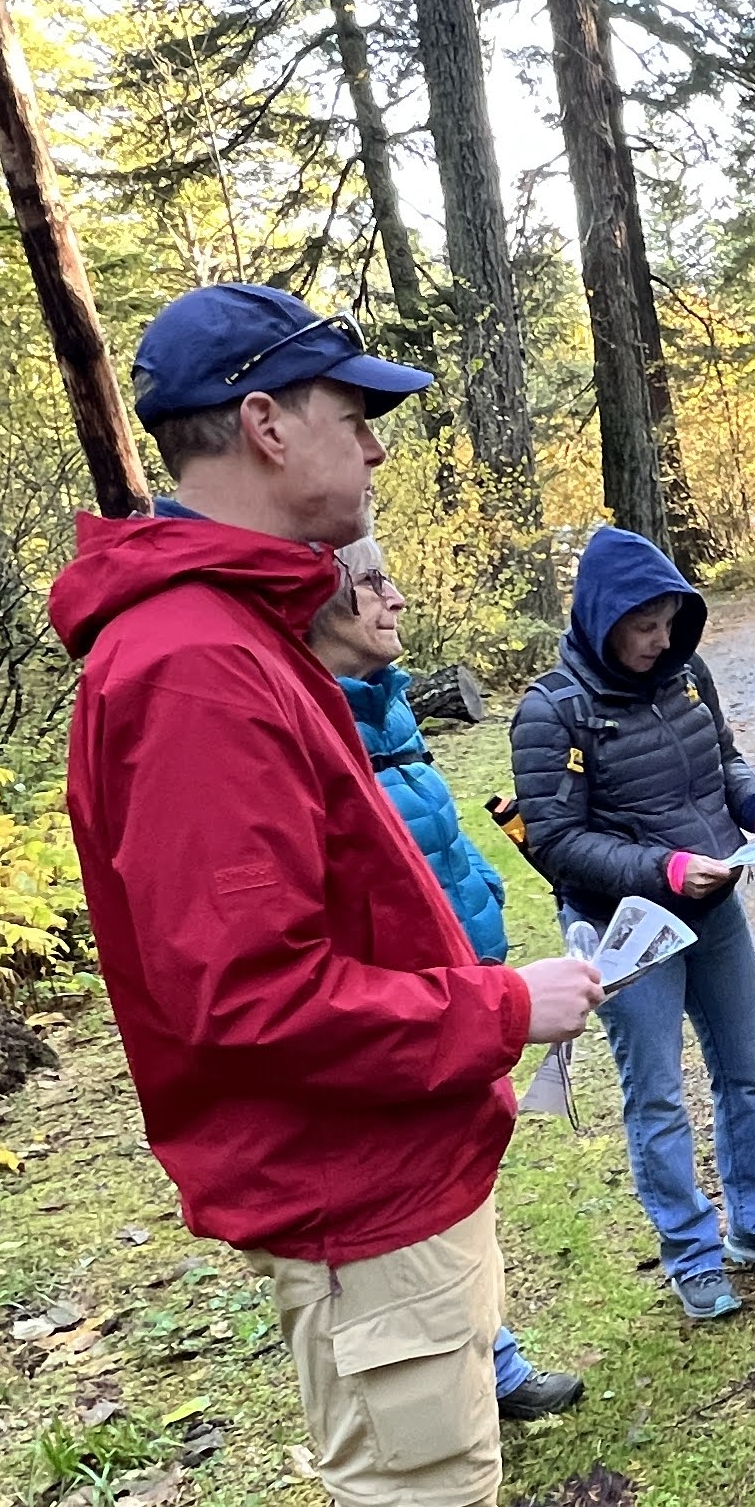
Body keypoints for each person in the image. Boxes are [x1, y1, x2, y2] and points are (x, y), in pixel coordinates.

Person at [49, 281, 664, 1507]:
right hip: (346, 1180)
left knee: (437, 1480)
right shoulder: (186, 662)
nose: (372, 438)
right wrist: (497, 1005)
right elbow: (246, 994)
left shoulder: (231, 630)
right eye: (350, 408)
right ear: (263, 423)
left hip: (387, 1161)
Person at [511, 525, 755, 1321]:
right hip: (628, 932)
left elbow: (722, 761)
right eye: (643, 626)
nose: (660, 641)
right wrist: (666, 869)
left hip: (715, 907)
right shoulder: (553, 712)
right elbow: (556, 841)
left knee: (743, 1072)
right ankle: (691, 1252)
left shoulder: (688, 675)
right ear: (602, 619)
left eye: (668, 623)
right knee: (656, 1095)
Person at [304, 533, 585, 1418]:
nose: (397, 600)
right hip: (408, 1011)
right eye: (376, 582)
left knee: (466, 1182)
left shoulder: (386, 706)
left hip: (466, 978)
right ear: (320, 597)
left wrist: (487, 896)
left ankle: (490, 1363)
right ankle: (471, 1383)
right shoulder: (308, 726)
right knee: (425, 1197)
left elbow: (438, 834)